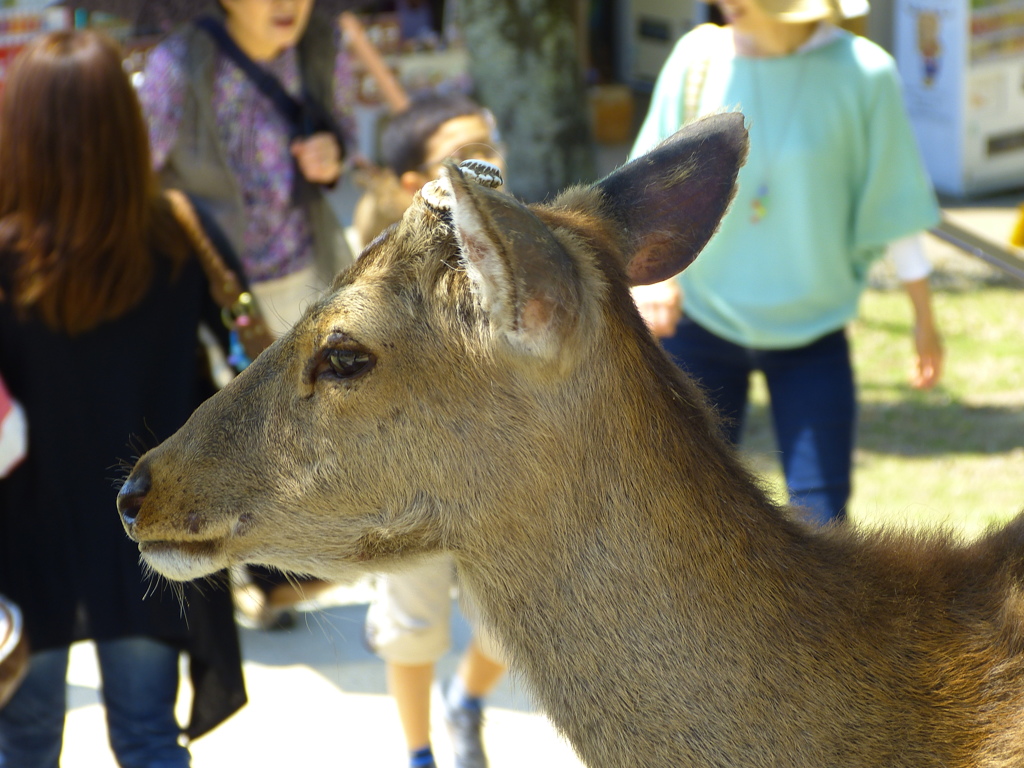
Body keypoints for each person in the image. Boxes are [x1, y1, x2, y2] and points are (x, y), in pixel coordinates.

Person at [0, 30, 246, 767]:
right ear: (125, 124)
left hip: (19, 535)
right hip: (149, 523)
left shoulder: (6, 253)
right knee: (146, 737)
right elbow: (247, 358)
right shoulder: (177, 234)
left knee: (23, 742)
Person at [629, 0, 944, 526]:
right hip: (700, 325)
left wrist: (925, 322)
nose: (727, 7)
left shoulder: (865, 73)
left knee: (824, 529)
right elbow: (644, 185)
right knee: (689, 522)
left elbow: (895, 204)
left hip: (813, 338)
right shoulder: (696, 58)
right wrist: (650, 281)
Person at [137, 0, 362, 627]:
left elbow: (341, 134)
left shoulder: (319, 52)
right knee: (219, 427)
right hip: (212, 284)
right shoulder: (179, 64)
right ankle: (230, 579)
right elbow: (139, 176)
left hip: (304, 269)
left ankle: (276, 567)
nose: (288, 4)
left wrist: (331, 154)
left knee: (303, 424)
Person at [358, 93, 507, 768]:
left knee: (512, 629)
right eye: (468, 156)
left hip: (498, 483)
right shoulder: (372, 271)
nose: (491, 165)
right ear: (416, 186)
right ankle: (418, 754)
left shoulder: (519, 254)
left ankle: (466, 701)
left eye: (492, 148)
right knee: (412, 632)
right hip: (403, 484)